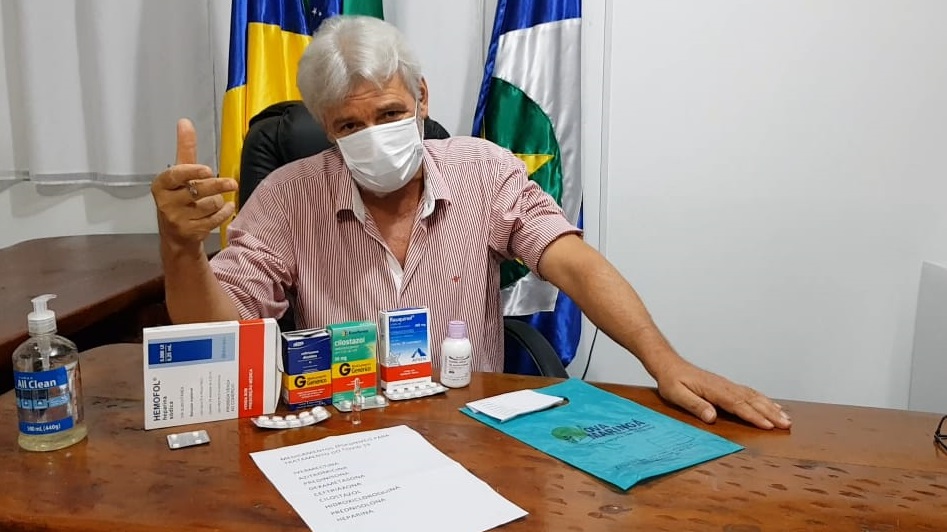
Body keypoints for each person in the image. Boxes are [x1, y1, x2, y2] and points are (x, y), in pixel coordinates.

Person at [151, 16, 791, 431]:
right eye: (350, 125)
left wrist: (664, 361)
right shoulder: (290, 196)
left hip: (471, 428)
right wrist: (181, 248)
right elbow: (221, 331)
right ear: (325, 127)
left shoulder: (483, 170)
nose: (374, 135)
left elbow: (573, 262)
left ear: (422, 99)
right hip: (344, 429)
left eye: (390, 113)